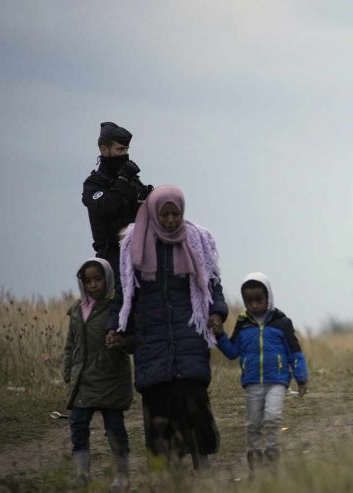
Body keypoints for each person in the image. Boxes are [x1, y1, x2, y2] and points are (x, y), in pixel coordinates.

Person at [106, 185, 228, 471]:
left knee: (192, 398)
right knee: (159, 402)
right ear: (154, 212)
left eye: (176, 214)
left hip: (189, 334)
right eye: (166, 214)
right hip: (152, 338)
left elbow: (213, 286)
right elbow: (124, 294)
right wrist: (116, 327)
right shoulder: (134, 244)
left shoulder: (196, 240)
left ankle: (202, 464)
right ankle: (170, 471)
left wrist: (217, 314)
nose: (171, 220)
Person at [213, 272, 308, 478]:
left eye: (259, 300)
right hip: (252, 383)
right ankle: (255, 461)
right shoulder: (243, 323)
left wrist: (301, 377)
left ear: (268, 298)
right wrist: (219, 335)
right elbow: (231, 352)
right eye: (249, 301)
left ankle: (273, 457)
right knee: (254, 424)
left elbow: (295, 352)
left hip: (278, 381)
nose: (254, 305)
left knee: (273, 418)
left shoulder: (282, 323)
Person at [63, 257, 133, 490]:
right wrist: (68, 373)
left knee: (114, 428)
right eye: (88, 280)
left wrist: (120, 341)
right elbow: (71, 344)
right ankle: (82, 474)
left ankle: (122, 476)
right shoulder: (76, 309)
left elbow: (133, 341)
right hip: (83, 379)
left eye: (98, 279)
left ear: (108, 279)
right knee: (78, 425)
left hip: (110, 378)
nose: (93, 285)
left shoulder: (116, 308)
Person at [83, 122, 153, 278]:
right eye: (120, 149)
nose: (125, 154)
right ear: (104, 150)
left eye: (127, 149)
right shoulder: (93, 184)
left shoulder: (133, 181)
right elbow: (108, 205)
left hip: (138, 257)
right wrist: (123, 180)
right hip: (110, 259)